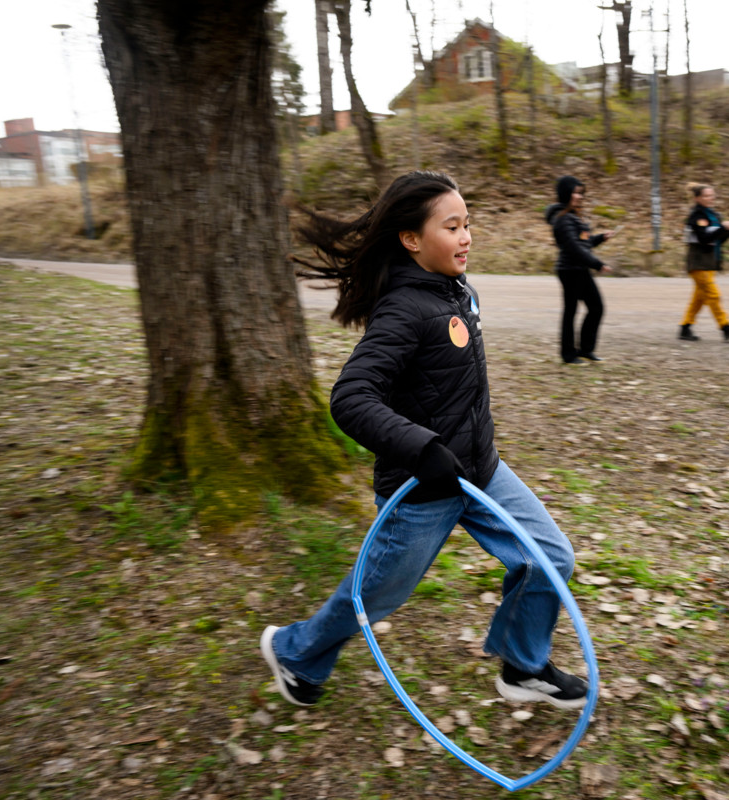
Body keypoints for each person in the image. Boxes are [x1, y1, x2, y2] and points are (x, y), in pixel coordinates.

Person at [260, 171, 588, 711]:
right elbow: (351, 398)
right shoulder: (403, 310)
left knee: (549, 557)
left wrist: (464, 450)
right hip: (422, 487)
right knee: (379, 594)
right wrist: (420, 447)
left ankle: (523, 666)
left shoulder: (459, 292)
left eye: (468, 224)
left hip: (480, 470)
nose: (466, 237)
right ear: (411, 239)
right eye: (452, 226)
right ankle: (295, 652)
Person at [544, 175, 614, 364]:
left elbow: (584, 242)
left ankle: (584, 350)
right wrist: (598, 264)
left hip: (576, 268)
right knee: (584, 309)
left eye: (581, 193)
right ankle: (570, 354)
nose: (580, 197)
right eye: (576, 193)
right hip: (571, 270)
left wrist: (600, 238)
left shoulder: (573, 217)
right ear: (566, 194)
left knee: (590, 308)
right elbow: (574, 248)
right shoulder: (563, 219)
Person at [678, 183, 729, 342]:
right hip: (698, 262)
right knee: (713, 295)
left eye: (712, 195)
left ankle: (685, 328)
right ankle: (726, 327)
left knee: (699, 299)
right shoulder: (696, 216)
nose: (711, 198)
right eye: (707, 195)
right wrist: (723, 227)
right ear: (697, 198)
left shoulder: (714, 215)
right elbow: (704, 238)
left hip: (710, 262)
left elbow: (719, 240)